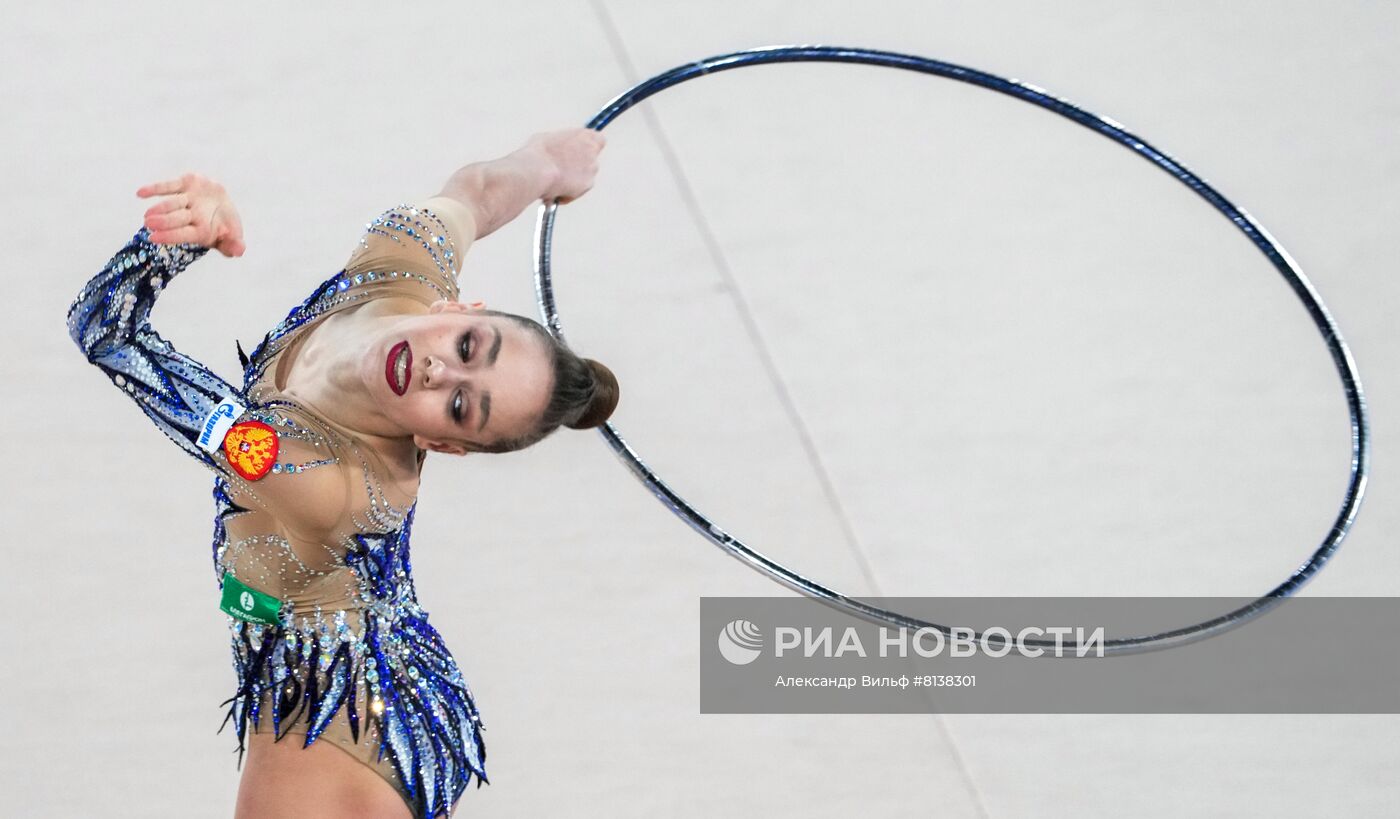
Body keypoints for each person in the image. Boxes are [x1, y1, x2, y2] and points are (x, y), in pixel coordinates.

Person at [66, 128, 618, 819]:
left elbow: (108, 334)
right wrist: (546, 164)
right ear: (456, 307)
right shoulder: (404, 262)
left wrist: (176, 242)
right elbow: (474, 194)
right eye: (470, 346)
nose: (440, 369)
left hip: (328, 711)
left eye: (459, 405)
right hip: (392, 670)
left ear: (440, 444)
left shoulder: (302, 473)